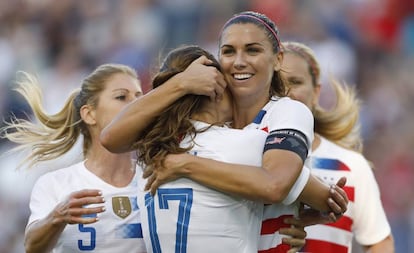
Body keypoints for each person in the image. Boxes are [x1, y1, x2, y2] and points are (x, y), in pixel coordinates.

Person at [101, 11, 348, 253]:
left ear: (277, 59)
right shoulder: (248, 142)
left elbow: (111, 138)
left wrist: (185, 162)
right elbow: (285, 186)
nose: (239, 61)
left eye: (253, 50)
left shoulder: (158, 143)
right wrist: (323, 199)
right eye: (229, 51)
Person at [0, 64, 147, 252]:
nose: (135, 104)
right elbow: (32, 247)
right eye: (121, 97)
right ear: (89, 114)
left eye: (139, 97)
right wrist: (57, 217)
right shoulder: (56, 183)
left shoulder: (156, 178)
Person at [281, 41, 395, 253]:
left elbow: (379, 241)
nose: (286, 91)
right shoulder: (244, 157)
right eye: (275, 83)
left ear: (316, 92)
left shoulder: (350, 165)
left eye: (295, 82)